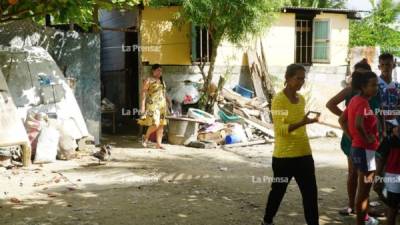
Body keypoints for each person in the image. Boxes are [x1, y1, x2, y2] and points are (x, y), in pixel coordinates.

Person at [261, 64, 320, 225]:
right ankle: (267, 221)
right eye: (298, 78)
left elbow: (299, 123)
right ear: (287, 78)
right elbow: (280, 130)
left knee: (310, 194)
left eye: (303, 79)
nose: (301, 82)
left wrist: (307, 121)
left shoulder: (301, 99)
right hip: (284, 157)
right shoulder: (278, 100)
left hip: (304, 154)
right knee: (278, 192)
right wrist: (302, 122)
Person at [326, 59, 375, 216]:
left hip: (365, 138)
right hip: (355, 137)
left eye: (362, 75)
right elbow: (330, 104)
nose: (359, 79)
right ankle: (353, 206)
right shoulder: (351, 92)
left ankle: (362, 208)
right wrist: (349, 121)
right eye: (357, 75)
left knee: (366, 176)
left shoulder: (371, 92)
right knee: (355, 174)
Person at [339, 71, 380, 225]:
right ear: (363, 86)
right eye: (373, 85)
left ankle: (365, 219)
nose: (376, 88)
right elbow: (358, 124)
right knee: (364, 191)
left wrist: (352, 137)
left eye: (376, 84)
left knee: (363, 189)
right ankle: (361, 222)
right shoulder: (362, 102)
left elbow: (342, 120)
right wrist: (366, 137)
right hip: (366, 151)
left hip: (357, 149)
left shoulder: (355, 99)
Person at [373, 53, 399, 197]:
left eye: (388, 64)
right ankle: (381, 196)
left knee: (391, 163)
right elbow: (374, 109)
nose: (385, 68)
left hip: (394, 129)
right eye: (382, 65)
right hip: (379, 129)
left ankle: (390, 200)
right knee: (379, 162)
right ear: (378, 66)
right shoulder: (375, 84)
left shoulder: (397, 86)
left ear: (393, 65)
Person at [138, 64, 168, 149]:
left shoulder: (162, 81)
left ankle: (159, 144)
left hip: (162, 105)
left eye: (161, 71)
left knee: (161, 124)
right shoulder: (148, 80)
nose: (160, 72)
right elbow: (143, 93)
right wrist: (143, 106)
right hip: (152, 105)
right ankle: (146, 137)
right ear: (153, 71)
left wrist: (168, 102)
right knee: (156, 123)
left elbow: (164, 93)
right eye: (158, 70)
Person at [382, 125, 400, 225]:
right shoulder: (389, 140)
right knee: (392, 209)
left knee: (392, 209)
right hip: (393, 177)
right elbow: (380, 158)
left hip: (393, 177)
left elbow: (380, 159)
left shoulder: (388, 140)